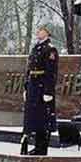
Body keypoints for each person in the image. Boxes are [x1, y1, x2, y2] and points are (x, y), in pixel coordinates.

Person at [21, 24, 59, 155]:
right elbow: (29, 69)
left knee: (43, 119)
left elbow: (51, 72)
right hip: (33, 86)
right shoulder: (35, 48)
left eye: (41, 30)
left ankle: (42, 148)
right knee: (34, 118)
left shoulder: (50, 49)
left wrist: (48, 91)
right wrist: (26, 87)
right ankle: (37, 146)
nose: (38, 32)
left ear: (47, 33)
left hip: (42, 87)